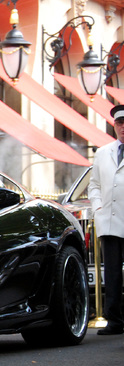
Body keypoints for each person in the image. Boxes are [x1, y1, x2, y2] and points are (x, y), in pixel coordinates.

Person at [88, 104, 124, 335]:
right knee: (111, 273)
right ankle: (114, 321)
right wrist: (97, 206)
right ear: (114, 126)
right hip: (109, 221)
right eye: (120, 124)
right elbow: (94, 185)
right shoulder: (103, 152)